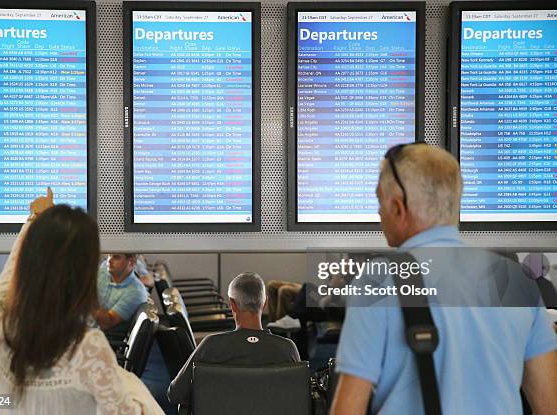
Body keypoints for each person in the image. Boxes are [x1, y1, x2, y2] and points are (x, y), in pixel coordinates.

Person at [331, 145, 557, 415]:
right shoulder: (517, 279)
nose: (379, 213)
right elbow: (549, 405)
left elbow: (347, 409)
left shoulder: (379, 280)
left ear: (397, 207)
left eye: (380, 201)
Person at [0, 188, 163, 414]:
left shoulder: (0, 322)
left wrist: (34, 220)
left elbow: (10, 273)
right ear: (83, 273)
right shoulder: (87, 348)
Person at [167, 272, 301, 406]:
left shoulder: (210, 346)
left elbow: (176, 394)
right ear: (265, 302)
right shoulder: (287, 349)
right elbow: (299, 400)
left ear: (232, 303)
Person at [94, 253, 148, 333]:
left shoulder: (136, 292)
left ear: (131, 263)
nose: (109, 260)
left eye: (116, 257)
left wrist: (84, 300)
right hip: (83, 325)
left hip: (98, 336)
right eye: (109, 255)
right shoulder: (102, 273)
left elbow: (107, 323)